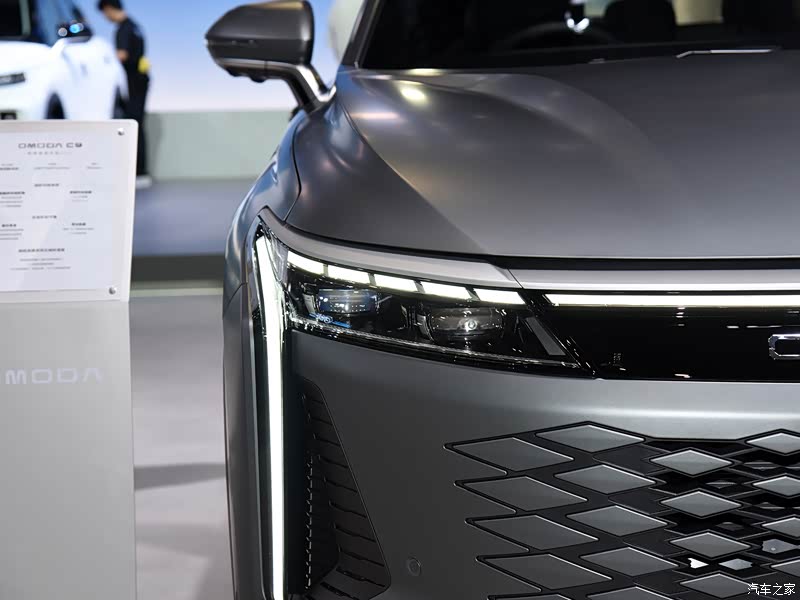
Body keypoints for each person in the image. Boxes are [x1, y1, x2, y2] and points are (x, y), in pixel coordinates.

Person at [97, 0, 151, 188]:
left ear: (108, 8)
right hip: (140, 80)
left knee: (131, 125)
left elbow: (122, 55)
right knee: (137, 123)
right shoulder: (135, 26)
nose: (106, 18)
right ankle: (140, 171)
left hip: (132, 82)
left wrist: (103, 61)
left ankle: (137, 172)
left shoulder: (123, 29)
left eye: (105, 13)